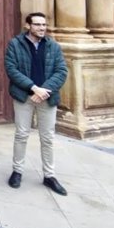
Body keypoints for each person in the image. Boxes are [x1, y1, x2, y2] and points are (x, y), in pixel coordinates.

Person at [5, 12, 68, 195]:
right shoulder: (15, 44)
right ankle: (17, 171)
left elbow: (61, 71)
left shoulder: (53, 46)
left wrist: (44, 90)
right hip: (25, 96)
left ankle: (49, 175)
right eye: (38, 24)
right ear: (28, 26)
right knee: (22, 134)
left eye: (44, 25)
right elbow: (11, 69)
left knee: (47, 137)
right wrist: (33, 88)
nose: (42, 28)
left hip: (46, 97)